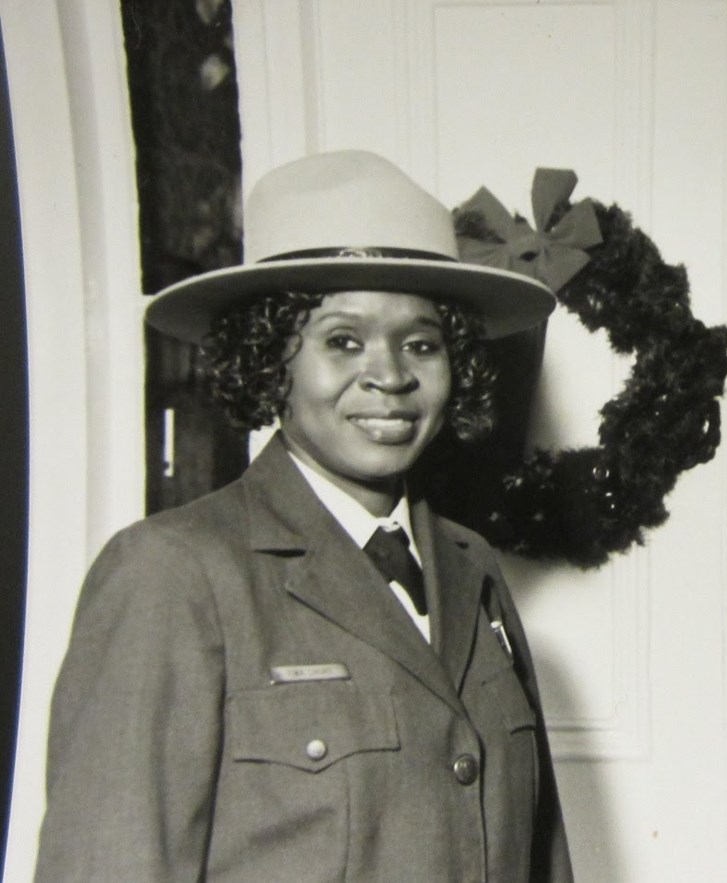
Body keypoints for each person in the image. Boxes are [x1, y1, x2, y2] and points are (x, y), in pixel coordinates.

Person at [35, 150, 572, 881]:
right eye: (342, 340)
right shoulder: (172, 572)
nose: (389, 375)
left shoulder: (472, 565)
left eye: (422, 343)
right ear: (270, 360)